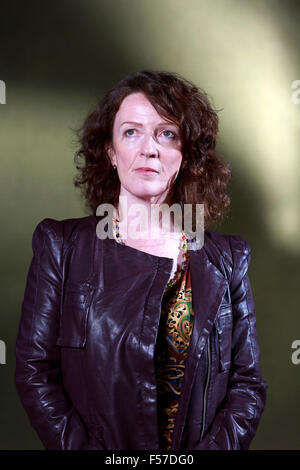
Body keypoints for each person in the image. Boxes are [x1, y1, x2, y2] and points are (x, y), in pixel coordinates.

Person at [15, 70, 267, 451]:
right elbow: (35, 372)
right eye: (131, 132)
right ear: (110, 151)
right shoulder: (62, 246)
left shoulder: (228, 259)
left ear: (184, 156)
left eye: (167, 133)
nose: (149, 148)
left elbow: (247, 387)